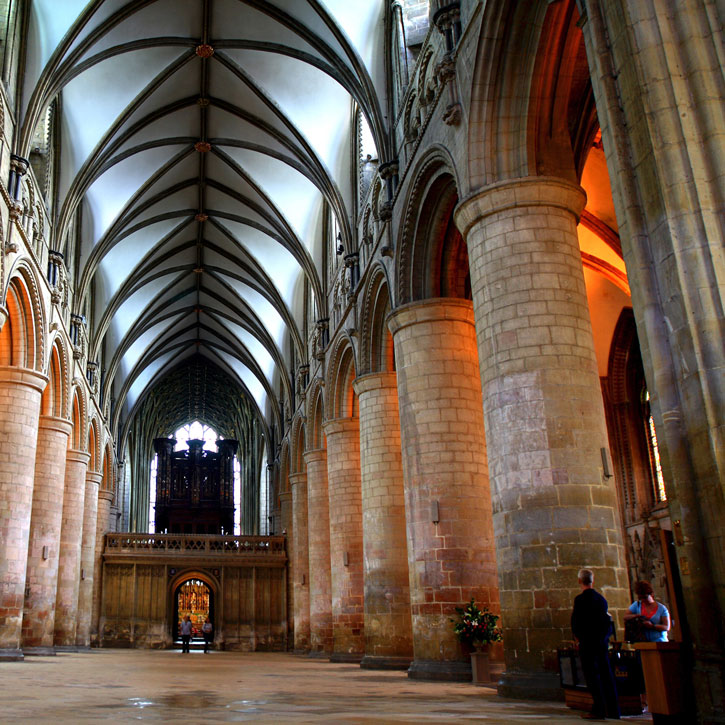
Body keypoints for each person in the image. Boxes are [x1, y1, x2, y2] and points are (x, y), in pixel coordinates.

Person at [571, 568, 621, 720]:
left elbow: (576, 622)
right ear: (593, 580)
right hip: (601, 643)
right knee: (606, 674)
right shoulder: (601, 599)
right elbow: (607, 622)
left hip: (587, 643)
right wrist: (604, 638)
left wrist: (578, 639)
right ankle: (614, 710)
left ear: (580, 581)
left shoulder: (580, 600)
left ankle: (598, 710)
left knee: (592, 676)